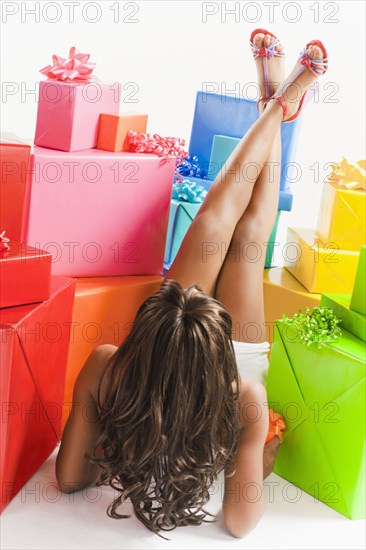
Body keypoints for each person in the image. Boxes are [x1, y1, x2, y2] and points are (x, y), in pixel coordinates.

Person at [56, 30, 328, 538]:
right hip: (232, 364)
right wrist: (255, 444)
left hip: (190, 336)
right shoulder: (242, 393)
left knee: (213, 223)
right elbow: (241, 526)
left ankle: (273, 106)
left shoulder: (106, 368)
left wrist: (101, 438)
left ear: (144, 329)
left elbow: (70, 479)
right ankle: (278, 105)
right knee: (247, 235)